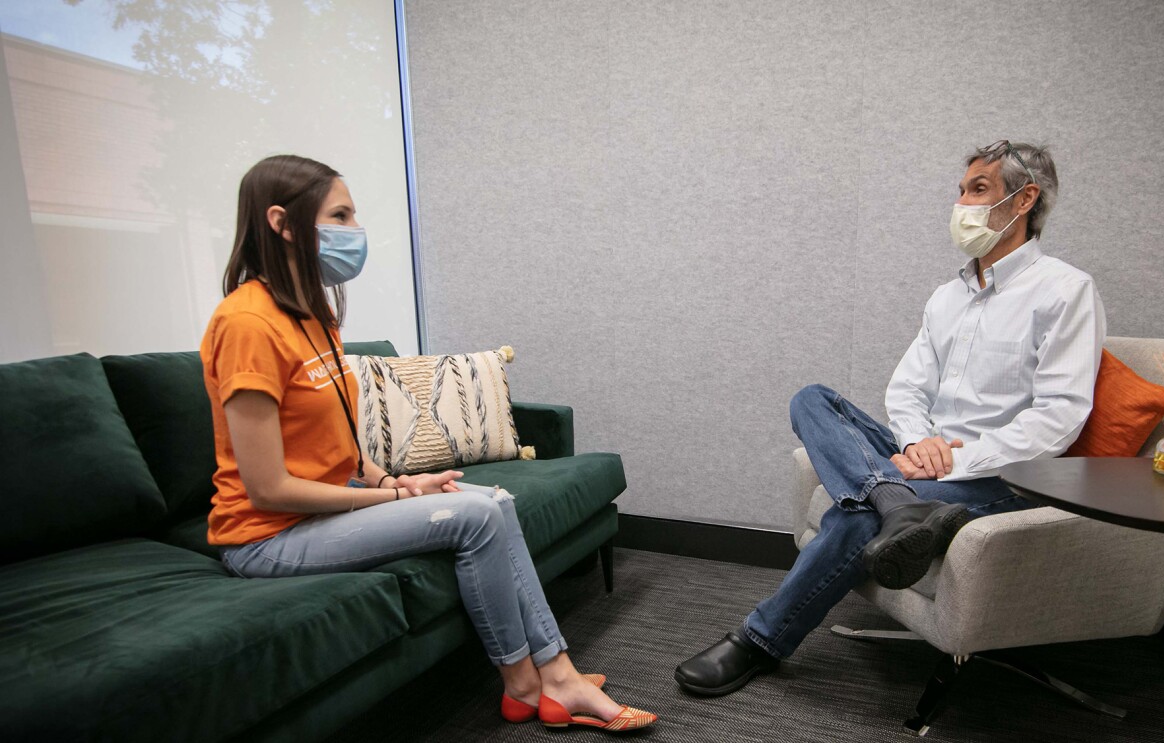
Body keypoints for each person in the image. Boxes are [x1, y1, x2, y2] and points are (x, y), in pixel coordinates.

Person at [202, 155, 656, 733]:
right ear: (282, 223)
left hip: (321, 506)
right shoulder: (244, 326)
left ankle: (548, 678)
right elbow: (268, 487)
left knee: (493, 500)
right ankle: (530, 683)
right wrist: (396, 502)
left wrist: (394, 480)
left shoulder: (312, 315)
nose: (353, 230)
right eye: (339, 216)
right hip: (267, 537)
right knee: (474, 516)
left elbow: (336, 437)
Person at [675, 141, 1106, 697]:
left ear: (1023, 200)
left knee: (857, 519)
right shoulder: (946, 297)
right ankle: (896, 500)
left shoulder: (1066, 291)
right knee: (813, 399)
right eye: (961, 191)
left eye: (978, 190)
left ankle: (758, 640)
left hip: (999, 475)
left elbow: (1059, 418)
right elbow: (908, 388)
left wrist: (953, 457)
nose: (962, 204)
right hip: (919, 460)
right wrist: (919, 443)